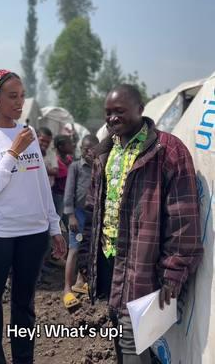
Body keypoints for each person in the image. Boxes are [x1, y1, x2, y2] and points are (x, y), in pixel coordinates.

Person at [78, 84, 203, 364]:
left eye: (119, 112)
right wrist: (88, 260)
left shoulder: (167, 151)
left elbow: (183, 221)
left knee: (132, 341)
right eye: (108, 113)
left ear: (140, 109)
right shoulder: (106, 152)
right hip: (110, 264)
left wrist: (173, 275)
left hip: (144, 270)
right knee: (121, 336)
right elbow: (93, 212)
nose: (111, 119)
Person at [0, 69, 66, 364]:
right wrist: (12, 152)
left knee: (24, 305)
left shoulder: (29, 132)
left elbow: (40, 184)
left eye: (22, 96)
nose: (19, 103)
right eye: (12, 96)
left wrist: (54, 226)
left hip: (33, 236)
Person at [63, 135, 99, 309]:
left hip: (94, 215)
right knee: (74, 249)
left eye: (91, 148)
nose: (88, 152)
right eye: (85, 149)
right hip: (78, 214)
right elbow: (69, 192)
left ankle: (80, 281)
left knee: (89, 250)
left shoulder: (100, 167)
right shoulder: (76, 167)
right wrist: (70, 215)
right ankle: (66, 289)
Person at [51, 135, 74, 218]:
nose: (73, 145)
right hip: (58, 195)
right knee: (58, 218)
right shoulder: (56, 162)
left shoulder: (70, 159)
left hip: (68, 195)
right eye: (69, 144)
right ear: (61, 147)